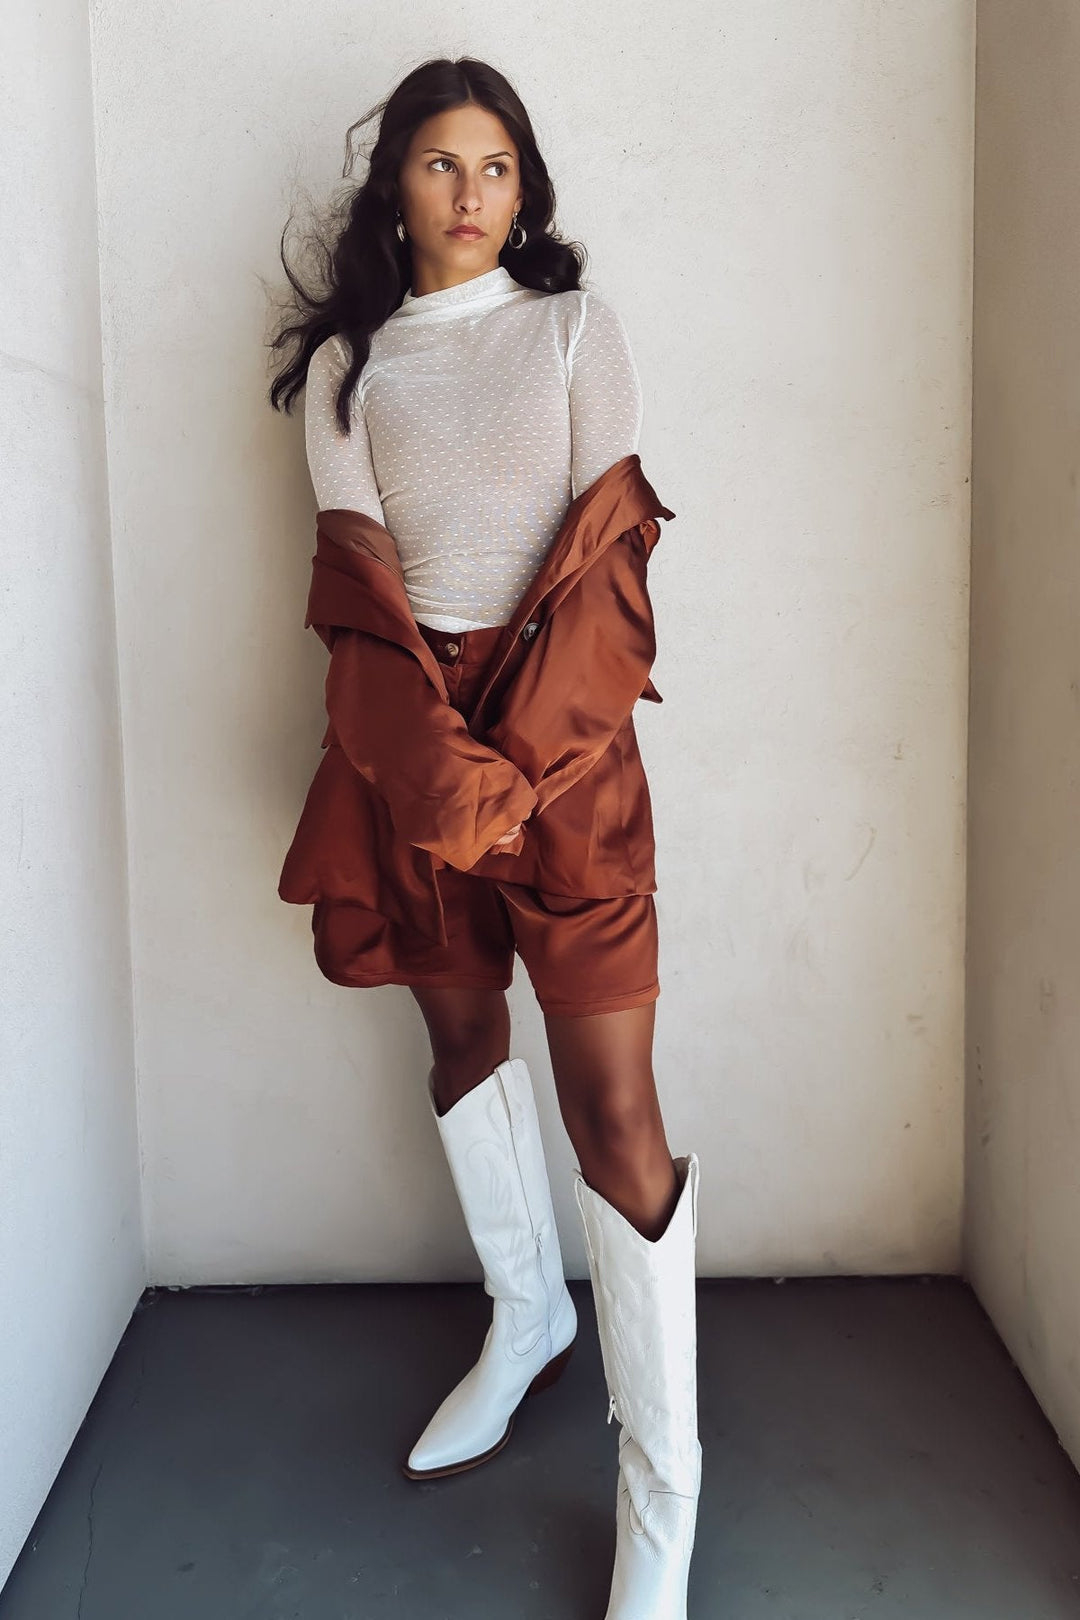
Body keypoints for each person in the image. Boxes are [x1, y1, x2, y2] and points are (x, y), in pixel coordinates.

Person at [268, 55, 702, 1620]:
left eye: (497, 166)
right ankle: (526, 1319)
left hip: (565, 750)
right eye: (442, 165)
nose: (470, 193)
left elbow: (609, 573)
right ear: (397, 185)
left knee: (616, 1112)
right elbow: (357, 604)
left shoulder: (580, 330)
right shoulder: (347, 368)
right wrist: (443, 782)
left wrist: (515, 777)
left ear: (527, 187)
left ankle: (662, 1494)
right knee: (461, 1045)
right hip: (409, 754)